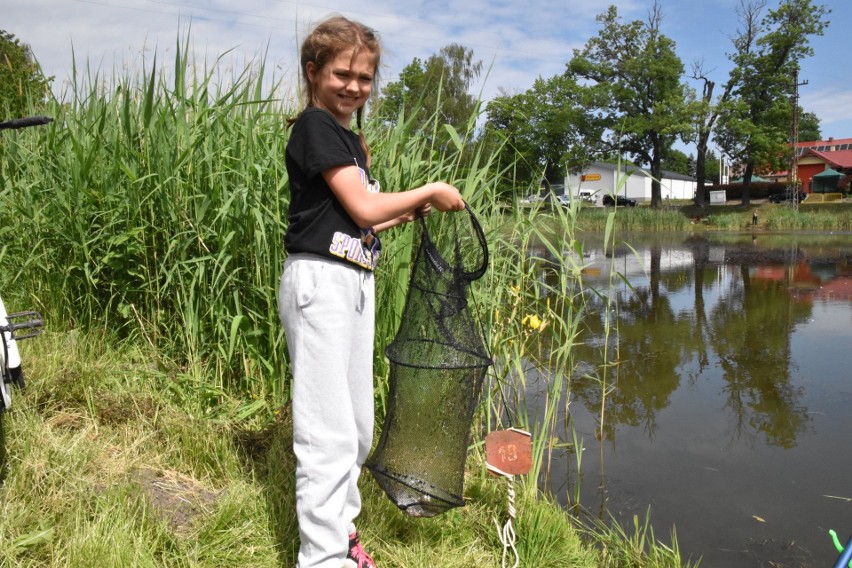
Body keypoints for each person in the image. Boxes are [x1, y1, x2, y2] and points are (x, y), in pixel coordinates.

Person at [277, 15, 466, 568]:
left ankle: (342, 533)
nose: (355, 87)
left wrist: (411, 208)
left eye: (365, 78)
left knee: (357, 427)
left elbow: (359, 221)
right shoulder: (314, 126)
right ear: (314, 72)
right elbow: (361, 206)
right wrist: (428, 188)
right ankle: (323, 557)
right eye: (343, 74)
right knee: (326, 433)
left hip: (354, 283)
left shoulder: (350, 140)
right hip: (320, 286)